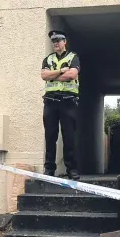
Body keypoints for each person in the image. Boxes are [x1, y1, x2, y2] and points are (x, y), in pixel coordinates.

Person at [41, 30, 80, 180]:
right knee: (50, 136)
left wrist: (53, 75)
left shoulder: (73, 57)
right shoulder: (48, 59)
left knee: (69, 136)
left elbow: (72, 75)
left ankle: (72, 170)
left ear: (65, 42)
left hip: (68, 101)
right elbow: (44, 76)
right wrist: (61, 70)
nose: (55, 43)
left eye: (58, 40)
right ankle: (49, 169)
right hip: (50, 102)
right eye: (53, 41)